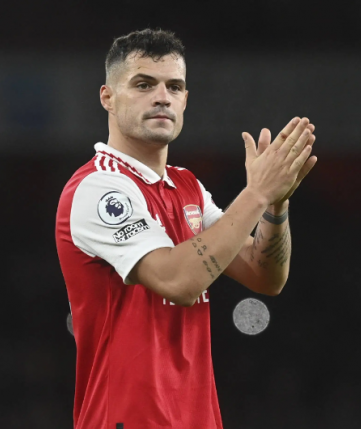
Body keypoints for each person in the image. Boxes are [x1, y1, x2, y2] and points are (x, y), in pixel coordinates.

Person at [55, 28, 317, 429]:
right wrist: (257, 193)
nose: (162, 97)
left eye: (174, 87)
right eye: (144, 84)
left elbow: (265, 276)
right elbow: (177, 281)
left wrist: (275, 205)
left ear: (185, 100)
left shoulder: (187, 186)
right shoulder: (98, 187)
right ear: (108, 97)